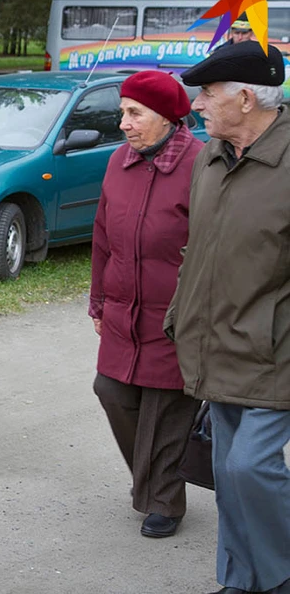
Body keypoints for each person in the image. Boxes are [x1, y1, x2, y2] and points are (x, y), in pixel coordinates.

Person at [166, 41, 290, 594]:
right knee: (226, 474)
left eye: (208, 94)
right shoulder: (210, 160)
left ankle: (280, 575)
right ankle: (240, 579)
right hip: (213, 341)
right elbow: (198, 249)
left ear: (245, 98)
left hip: (275, 349)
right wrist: (178, 315)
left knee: (249, 468)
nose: (197, 104)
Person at [89, 70, 204, 539]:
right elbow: (102, 235)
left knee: (166, 405)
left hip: (177, 315)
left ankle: (164, 499)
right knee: (111, 390)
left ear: (168, 118)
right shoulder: (119, 161)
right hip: (122, 308)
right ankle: (158, 479)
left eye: (135, 114)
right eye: (123, 113)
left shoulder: (202, 163)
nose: (125, 124)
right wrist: (98, 300)